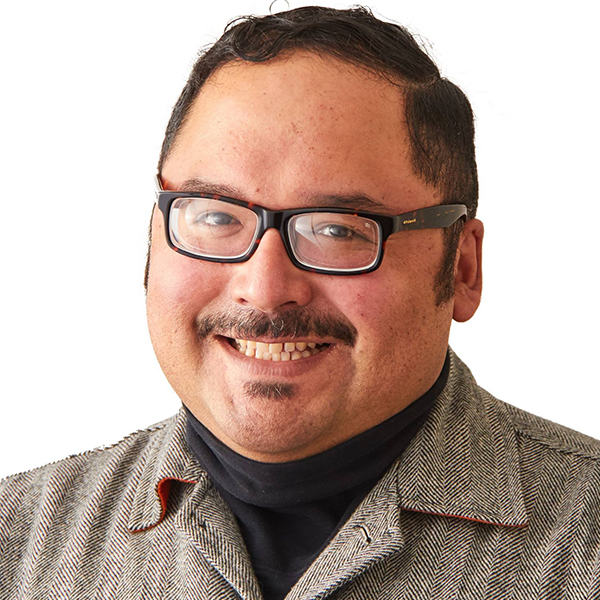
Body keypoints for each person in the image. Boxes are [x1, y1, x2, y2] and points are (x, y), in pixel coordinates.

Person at [1, 5, 598, 599]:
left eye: (338, 229)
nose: (263, 288)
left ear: (462, 268)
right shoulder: (16, 541)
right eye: (214, 215)